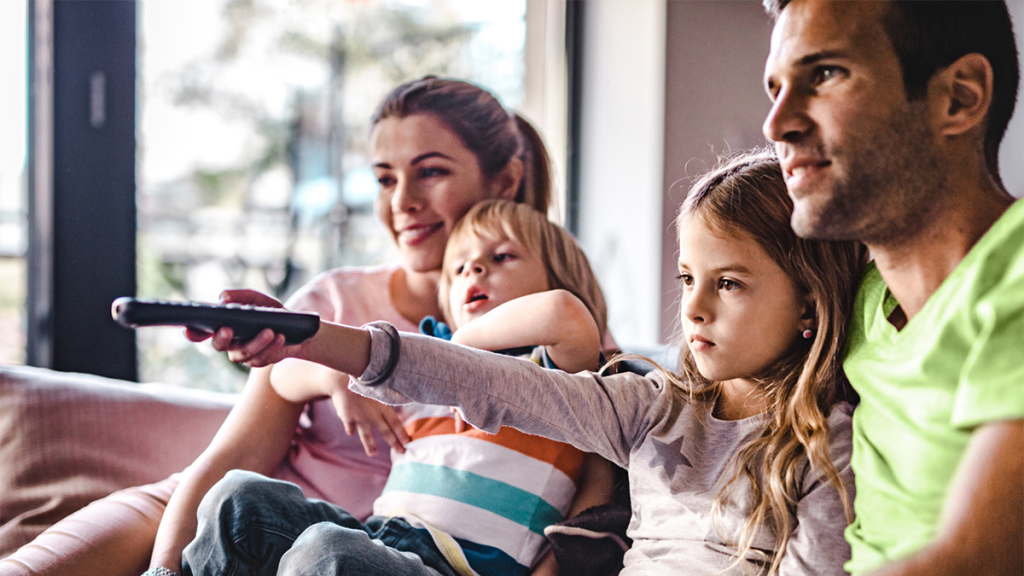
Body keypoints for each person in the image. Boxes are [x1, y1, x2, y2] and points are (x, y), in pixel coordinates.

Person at [193, 150, 866, 575]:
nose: (693, 309)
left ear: (810, 303)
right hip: (389, 534)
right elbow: (475, 382)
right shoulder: (649, 406)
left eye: (730, 283)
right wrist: (302, 335)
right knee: (241, 504)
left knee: (323, 556)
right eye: (688, 279)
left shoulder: (827, 444)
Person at [0, 76, 562, 576]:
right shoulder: (337, 298)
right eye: (384, 179)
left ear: (506, 180)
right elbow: (225, 467)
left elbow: (595, 491)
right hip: (227, 522)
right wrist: (325, 371)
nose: (403, 202)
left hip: (370, 553)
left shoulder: (554, 333)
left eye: (430, 172)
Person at [179, 199, 616, 576]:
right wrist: (334, 378)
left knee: (326, 553)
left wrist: (456, 351)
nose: (474, 269)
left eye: (501, 257)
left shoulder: (560, 381)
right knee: (238, 499)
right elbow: (280, 376)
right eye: (459, 267)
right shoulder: (425, 373)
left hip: (455, 567)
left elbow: (565, 314)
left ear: (558, 276)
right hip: (377, 538)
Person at [760, 0, 1024, 574]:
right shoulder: (856, 297)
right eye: (774, 88)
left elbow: (970, 562)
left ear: (959, 97)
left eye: (825, 74)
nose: (777, 124)